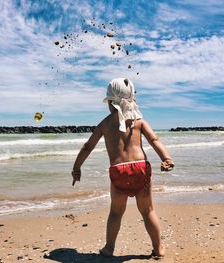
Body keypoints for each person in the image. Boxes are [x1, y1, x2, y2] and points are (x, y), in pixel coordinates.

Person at [71, 78, 174, 258]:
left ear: (110, 102)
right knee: (148, 211)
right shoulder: (139, 121)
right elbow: (154, 139)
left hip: (119, 170)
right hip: (140, 168)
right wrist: (166, 158)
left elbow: (88, 146)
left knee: (116, 212)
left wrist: (77, 167)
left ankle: (109, 248)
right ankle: (158, 248)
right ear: (132, 100)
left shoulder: (104, 123)